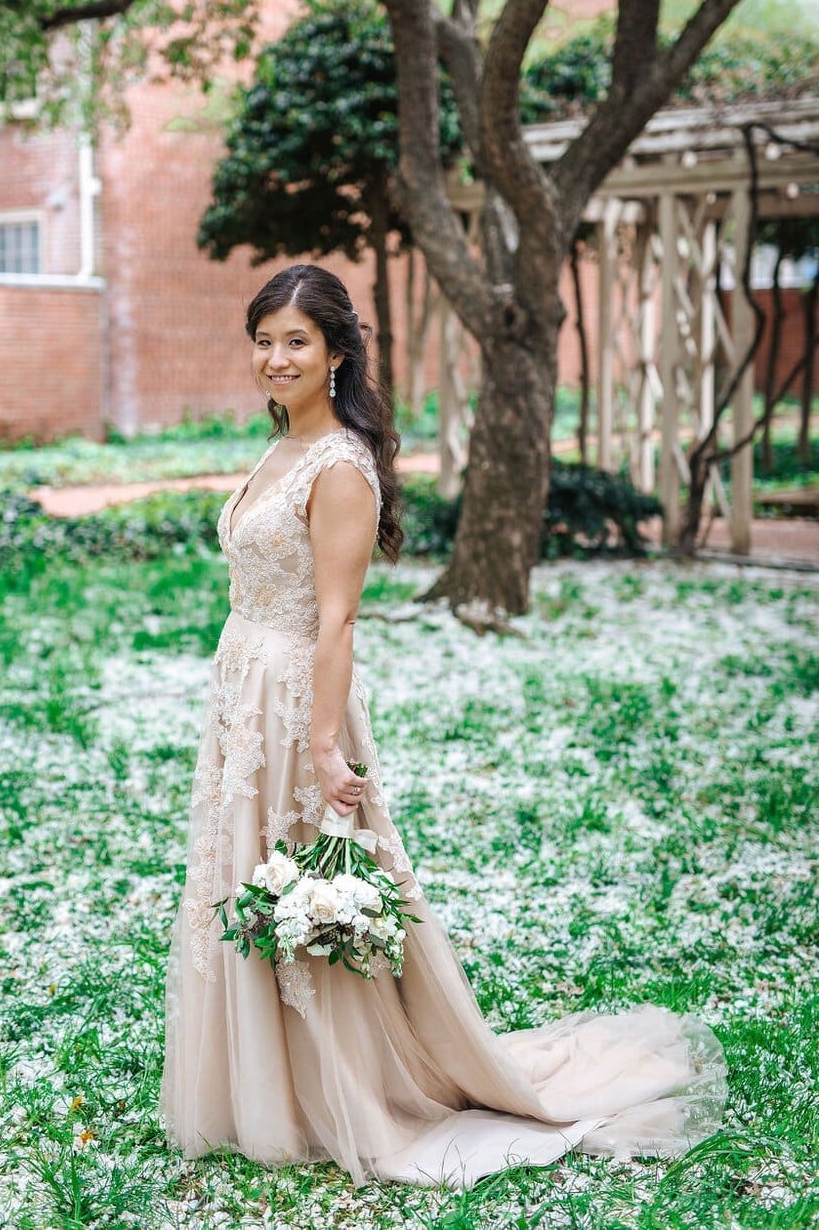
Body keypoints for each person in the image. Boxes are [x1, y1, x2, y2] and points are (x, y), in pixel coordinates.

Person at [159, 263, 727, 1187]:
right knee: (246, 877)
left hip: (300, 701)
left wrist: (322, 744)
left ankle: (352, 1085)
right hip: (242, 692)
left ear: (337, 353)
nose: (275, 357)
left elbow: (337, 618)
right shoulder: (277, 449)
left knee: (313, 890)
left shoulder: (340, 465)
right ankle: (269, 1083)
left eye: (296, 340)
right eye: (264, 340)